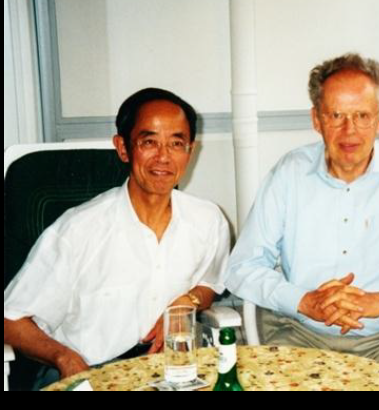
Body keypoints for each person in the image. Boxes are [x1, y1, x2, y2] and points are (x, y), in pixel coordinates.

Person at [226, 54, 379, 389]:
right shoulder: (289, 173)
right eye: (336, 115)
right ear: (316, 119)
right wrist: (304, 301)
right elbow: (241, 268)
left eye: (362, 116)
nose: (349, 130)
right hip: (301, 335)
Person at [4, 88, 230, 388]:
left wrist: (187, 303)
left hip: (170, 373)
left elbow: (210, 283)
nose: (164, 156)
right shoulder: (78, 230)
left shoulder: (208, 219)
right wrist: (64, 358)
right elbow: (10, 320)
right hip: (90, 372)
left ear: (190, 151)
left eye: (176, 143)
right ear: (123, 148)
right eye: (149, 142)